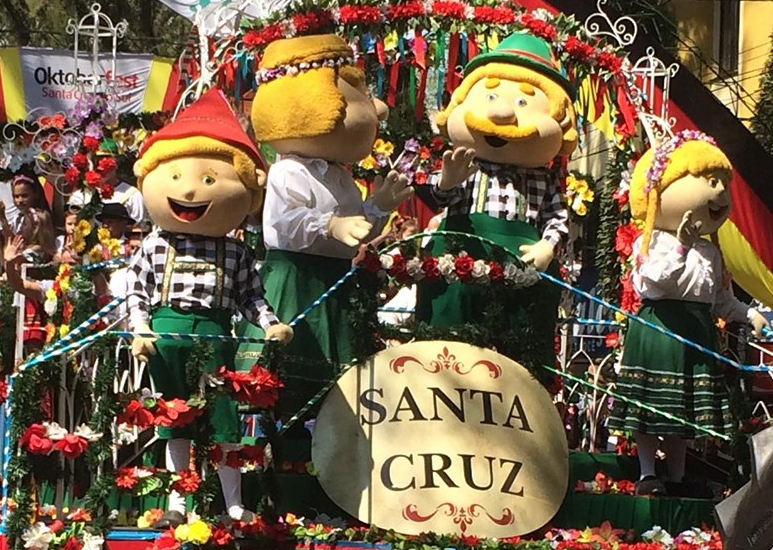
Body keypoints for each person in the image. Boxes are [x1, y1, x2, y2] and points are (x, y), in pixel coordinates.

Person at [115, 89, 293, 523]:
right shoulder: (156, 243)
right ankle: (178, 503)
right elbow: (137, 290)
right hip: (166, 335)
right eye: (175, 177)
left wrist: (270, 324)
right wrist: (141, 328)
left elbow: (251, 297)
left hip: (215, 335)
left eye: (209, 180)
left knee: (222, 419)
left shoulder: (235, 251)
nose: (190, 189)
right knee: (174, 418)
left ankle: (233, 502)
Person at [247, 34, 411, 420]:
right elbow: (285, 221)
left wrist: (378, 206)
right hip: (296, 279)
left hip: (335, 279)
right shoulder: (288, 170)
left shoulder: (341, 176)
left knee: (338, 371)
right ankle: (281, 442)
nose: (378, 110)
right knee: (291, 368)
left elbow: (356, 230)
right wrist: (330, 225)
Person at [608, 132, 769, 497]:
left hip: (696, 335)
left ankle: (677, 477)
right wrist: (680, 247)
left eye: (723, 184)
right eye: (710, 181)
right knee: (652, 409)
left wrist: (750, 315)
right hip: (659, 332)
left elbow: (720, 301)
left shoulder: (711, 252)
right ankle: (648, 473)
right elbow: (652, 283)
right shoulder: (650, 241)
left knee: (680, 413)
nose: (720, 193)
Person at [417, 31, 576, 381]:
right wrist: (447, 182)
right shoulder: (466, 163)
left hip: (520, 270)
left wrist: (548, 246)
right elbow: (437, 199)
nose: (502, 112)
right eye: (490, 96)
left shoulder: (544, 179)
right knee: (448, 342)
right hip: (460, 264)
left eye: (523, 103)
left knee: (516, 353)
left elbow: (558, 217)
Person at [0, 173, 56, 264]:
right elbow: (12, 241)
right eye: (16, 196)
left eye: (24, 196)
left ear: (35, 195)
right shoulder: (18, 218)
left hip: (38, 259)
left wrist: (18, 255)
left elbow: (44, 246)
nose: (20, 200)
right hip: (16, 258)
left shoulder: (41, 216)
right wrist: (2, 218)